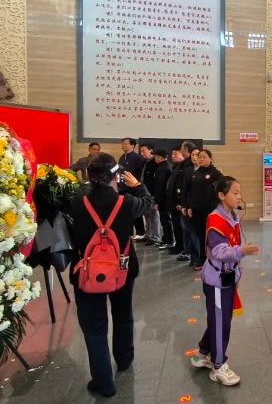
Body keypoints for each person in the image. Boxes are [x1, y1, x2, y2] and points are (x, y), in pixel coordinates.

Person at [67, 153, 153, 398]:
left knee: (94, 327)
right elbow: (148, 202)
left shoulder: (76, 203)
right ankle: (124, 359)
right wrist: (138, 185)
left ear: (88, 175)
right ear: (116, 176)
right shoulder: (127, 202)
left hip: (87, 272)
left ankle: (103, 382)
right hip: (122, 269)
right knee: (123, 315)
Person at [190, 176, 260, 386]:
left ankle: (203, 352)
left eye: (239, 192)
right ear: (221, 195)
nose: (239, 196)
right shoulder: (215, 219)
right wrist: (242, 251)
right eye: (235, 192)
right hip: (217, 280)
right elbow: (219, 252)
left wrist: (238, 272)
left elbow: (233, 247)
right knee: (221, 323)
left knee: (219, 319)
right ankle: (218, 366)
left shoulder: (232, 216)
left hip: (228, 276)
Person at [185, 149, 224, 270]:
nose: (201, 159)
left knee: (210, 237)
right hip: (197, 210)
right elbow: (191, 192)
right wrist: (189, 206)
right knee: (200, 236)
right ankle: (203, 260)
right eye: (199, 157)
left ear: (210, 159)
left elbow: (223, 190)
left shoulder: (216, 173)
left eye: (204, 157)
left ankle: (212, 260)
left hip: (210, 210)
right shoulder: (196, 173)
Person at [118, 137, 145, 238]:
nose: (123, 145)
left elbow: (140, 174)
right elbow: (119, 172)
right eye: (122, 144)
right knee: (124, 211)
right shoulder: (121, 157)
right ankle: (128, 232)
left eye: (125, 144)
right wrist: (118, 183)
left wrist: (137, 186)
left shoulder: (137, 158)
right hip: (122, 188)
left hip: (133, 188)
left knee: (135, 209)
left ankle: (140, 232)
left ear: (132, 146)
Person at [180, 147, 202, 266]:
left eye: (197, 155)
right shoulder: (188, 170)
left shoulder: (204, 170)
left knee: (196, 233)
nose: (194, 157)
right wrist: (183, 205)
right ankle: (193, 258)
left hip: (198, 206)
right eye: (192, 155)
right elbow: (184, 189)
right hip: (188, 205)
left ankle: (200, 258)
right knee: (189, 231)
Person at [139, 143, 161, 246]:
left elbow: (156, 181)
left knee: (153, 216)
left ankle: (155, 237)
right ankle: (148, 234)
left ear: (151, 150)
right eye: (141, 151)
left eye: (144, 151)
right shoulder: (144, 162)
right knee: (146, 215)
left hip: (152, 193)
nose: (141, 153)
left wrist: (155, 195)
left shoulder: (155, 163)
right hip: (144, 193)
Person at [165, 146, 185, 255]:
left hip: (178, 203)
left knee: (180, 227)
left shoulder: (183, 168)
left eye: (175, 154)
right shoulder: (175, 167)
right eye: (172, 154)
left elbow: (181, 187)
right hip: (172, 202)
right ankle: (178, 245)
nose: (172, 156)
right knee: (176, 226)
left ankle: (181, 247)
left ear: (182, 154)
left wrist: (179, 202)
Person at [153, 148, 174, 250]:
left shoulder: (163, 168)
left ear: (160, 157)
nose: (155, 158)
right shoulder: (165, 166)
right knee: (164, 220)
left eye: (156, 156)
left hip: (164, 199)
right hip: (164, 198)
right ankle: (165, 238)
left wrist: (157, 201)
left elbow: (160, 186)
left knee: (166, 220)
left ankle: (169, 241)